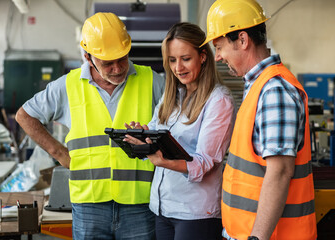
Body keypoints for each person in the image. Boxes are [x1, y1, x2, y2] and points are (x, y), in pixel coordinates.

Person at [15, 12, 165, 240]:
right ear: (87, 56)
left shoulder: (152, 80)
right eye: (108, 63)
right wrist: (59, 153)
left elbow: (181, 119)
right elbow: (24, 116)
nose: (118, 68)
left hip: (139, 202)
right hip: (89, 204)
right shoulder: (67, 86)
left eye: (122, 58)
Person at [201, 0, 317, 239]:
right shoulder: (258, 86)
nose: (218, 57)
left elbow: (280, 171)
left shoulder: (274, 89)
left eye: (219, 46)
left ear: (243, 40)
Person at [124, 22, 236, 240]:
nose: (178, 68)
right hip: (162, 208)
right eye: (172, 60)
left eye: (186, 59)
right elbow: (156, 130)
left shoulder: (219, 101)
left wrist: (163, 161)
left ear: (203, 56)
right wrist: (142, 134)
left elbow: (205, 162)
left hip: (195, 212)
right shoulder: (172, 97)